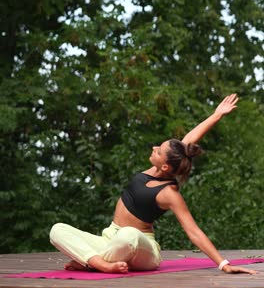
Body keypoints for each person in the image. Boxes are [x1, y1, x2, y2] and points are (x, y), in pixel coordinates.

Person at [50, 94, 257, 275]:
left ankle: (92, 262)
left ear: (166, 167)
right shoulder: (163, 164)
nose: (154, 147)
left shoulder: (169, 193)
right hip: (109, 239)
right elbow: (188, 143)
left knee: (128, 234)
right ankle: (100, 263)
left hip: (141, 247)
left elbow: (193, 232)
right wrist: (217, 115)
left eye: (158, 150)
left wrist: (223, 264)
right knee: (57, 230)